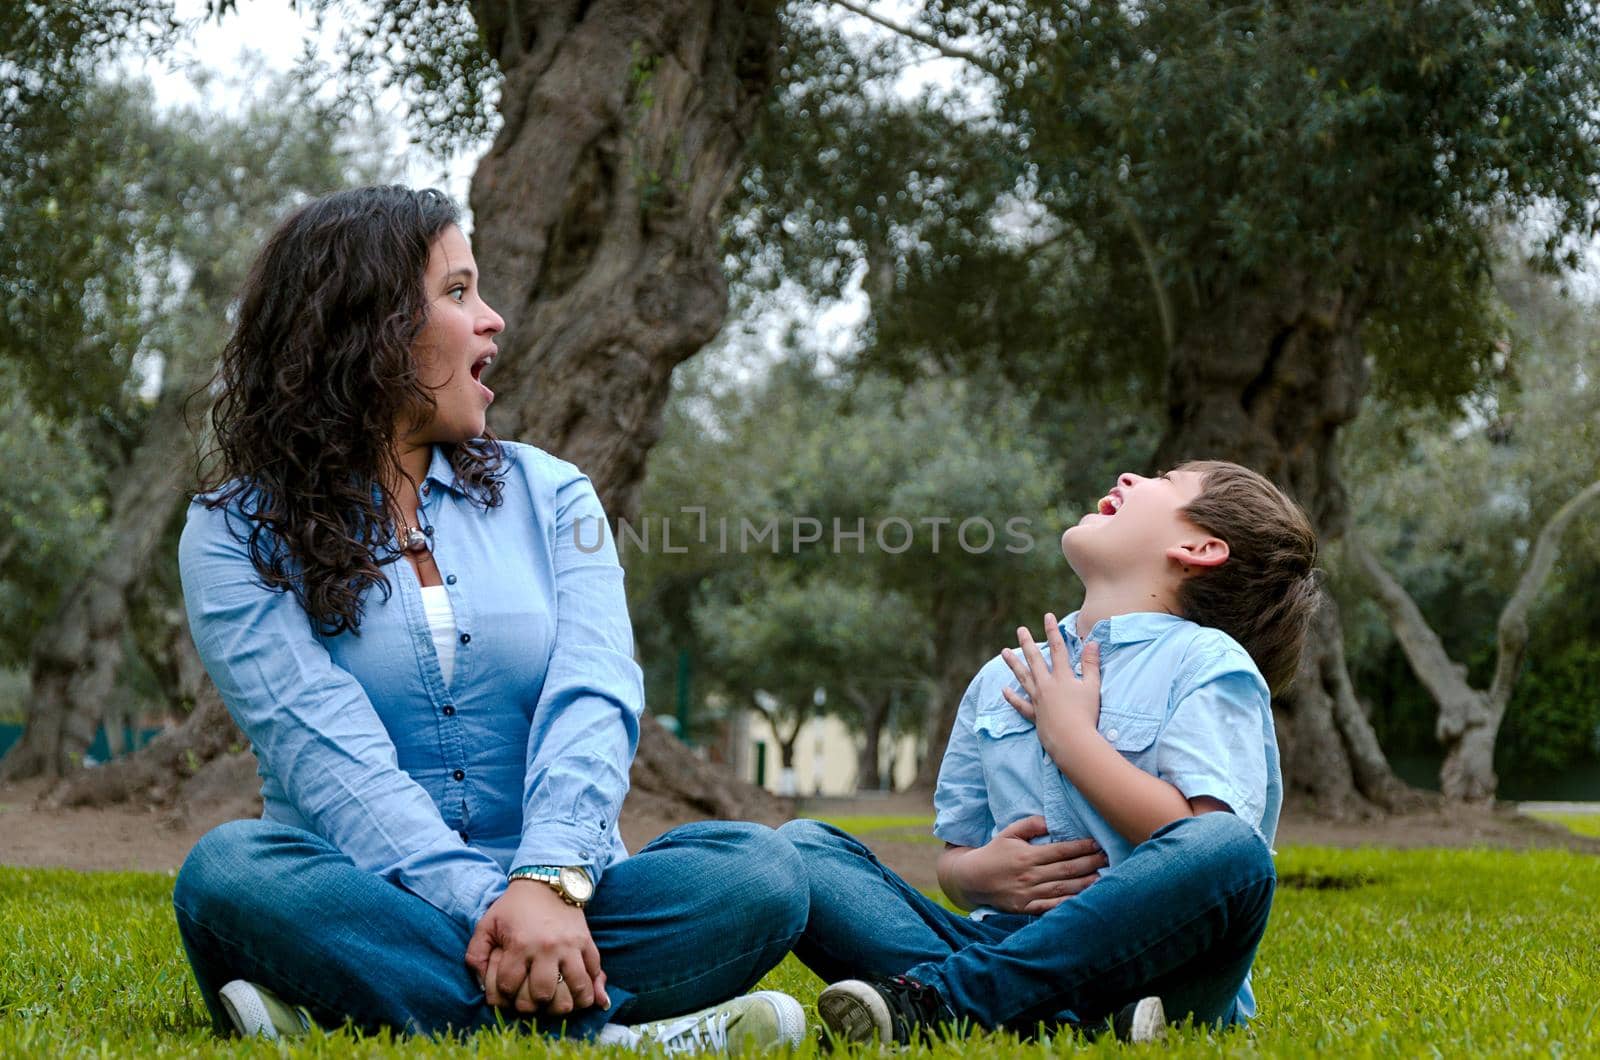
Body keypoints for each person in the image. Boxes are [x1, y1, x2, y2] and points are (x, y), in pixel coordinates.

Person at [172, 185, 807, 1051]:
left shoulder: (555, 493)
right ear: (369, 327)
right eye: (459, 292)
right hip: (366, 894)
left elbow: (595, 693)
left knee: (760, 874)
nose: (493, 320)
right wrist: (496, 910)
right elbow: (325, 758)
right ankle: (612, 1037)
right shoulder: (233, 531)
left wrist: (547, 882)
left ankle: (354, 1010)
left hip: (571, 894)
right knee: (230, 874)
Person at [780, 461, 1320, 1044]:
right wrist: (978, 878)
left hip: (1162, 972)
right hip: (1005, 947)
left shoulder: (1208, 664)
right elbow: (956, 861)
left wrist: (1072, 740)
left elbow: (1205, 847)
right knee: (800, 849)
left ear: (1200, 547)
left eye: (1165, 481)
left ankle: (943, 1001)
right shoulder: (1001, 676)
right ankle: (1064, 1020)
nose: (1131, 476)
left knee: (1235, 850)